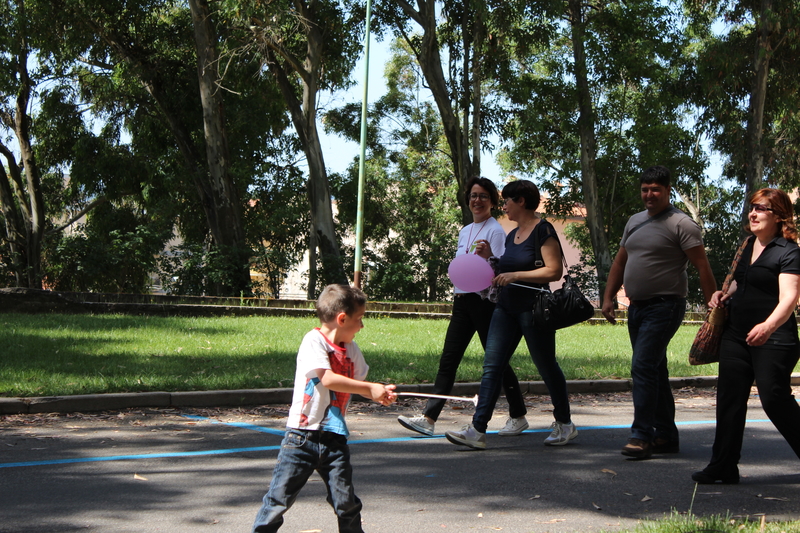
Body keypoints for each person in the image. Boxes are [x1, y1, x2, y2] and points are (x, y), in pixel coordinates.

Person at [251, 284, 397, 533]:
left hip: (334, 440)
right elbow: (327, 379)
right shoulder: (313, 341)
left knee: (346, 503)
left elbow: (358, 385)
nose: (362, 326)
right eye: (360, 319)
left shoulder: (352, 350)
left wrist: (377, 393)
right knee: (278, 499)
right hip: (301, 437)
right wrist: (370, 388)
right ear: (342, 318)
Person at [445, 179, 577, 450]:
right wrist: (490, 257)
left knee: (546, 365)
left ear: (522, 202)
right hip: (506, 308)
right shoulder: (511, 235)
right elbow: (501, 271)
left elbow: (553, 271)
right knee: (492, 367)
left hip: (533, 309)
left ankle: (565, 423)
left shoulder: (544, 230)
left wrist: (515, 274)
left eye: (507, 201)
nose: (503, 205)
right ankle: (477, 429)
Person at [397, 177, 529, 437]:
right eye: (473, 196)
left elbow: (501, 267)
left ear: (492, 201)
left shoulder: (495, 230)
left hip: (483, 303)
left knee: (496, 362)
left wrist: (490, 256)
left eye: (482, 196)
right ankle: (428, 418)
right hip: (462, 302)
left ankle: (518, 415)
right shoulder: (465, 230)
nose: (476, 200)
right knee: (449, 360)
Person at [601, 165, 716, 459]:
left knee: (642, 366)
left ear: (667, 191)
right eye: (645, 189)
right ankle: (666, 434)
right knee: (654, 369)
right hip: (637, 308)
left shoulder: (682, 224)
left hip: (666, 306)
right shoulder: (634, 222)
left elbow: (703, 266)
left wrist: (712, 306)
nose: (649, 195)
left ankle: (642, 436)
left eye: (655, 189)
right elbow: (619, 262)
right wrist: (608, 297)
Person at [692, 188, 800, 484]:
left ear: (778, 216)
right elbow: (741, 283)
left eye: (761, 209)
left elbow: (789, 299)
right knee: (730, 398)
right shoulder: (748, 244)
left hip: (774, 337)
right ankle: (723, 466)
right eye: (752, 207)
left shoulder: (789, 251)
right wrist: (721, 295)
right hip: (736, 334)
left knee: (774, 398)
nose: (752, 213)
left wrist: (767, 327)